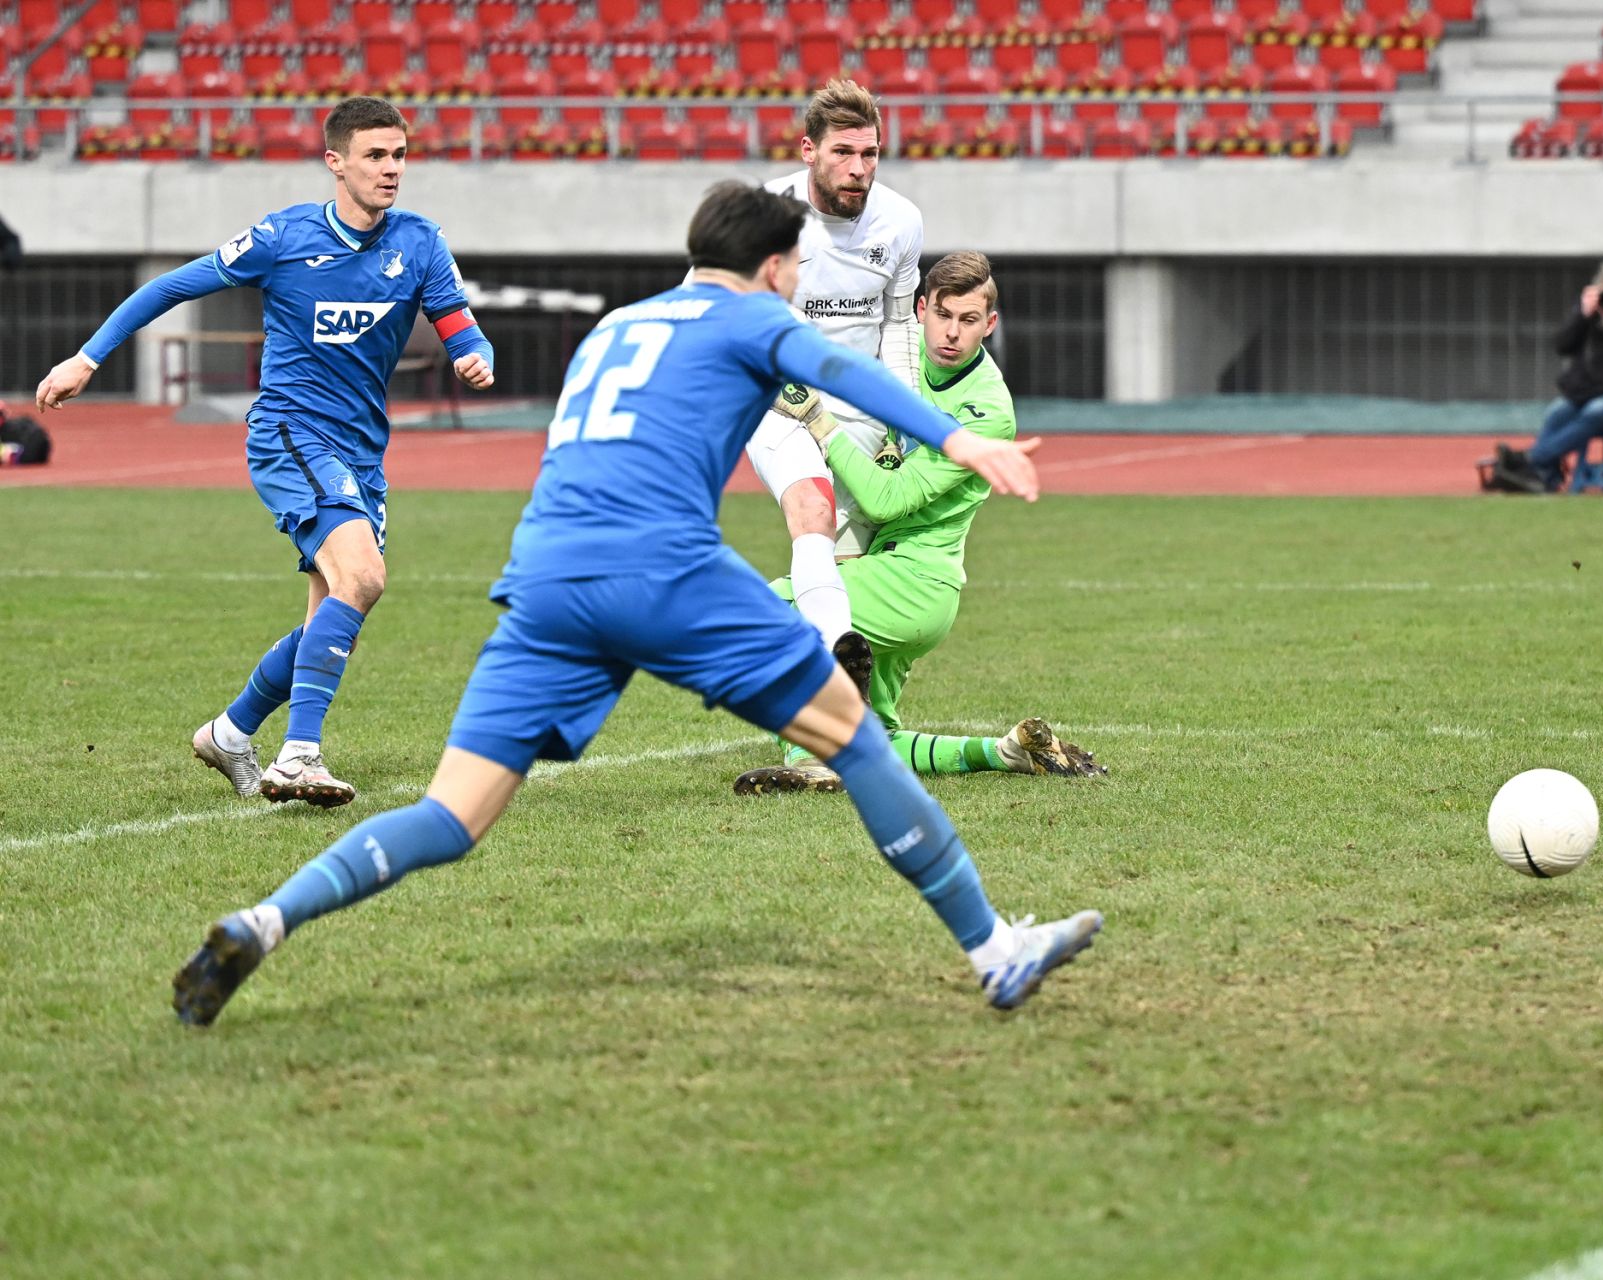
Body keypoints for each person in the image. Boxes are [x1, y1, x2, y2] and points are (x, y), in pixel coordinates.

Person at [170, 182, 1104, 1028]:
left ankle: (265, 918)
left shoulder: (620, 323)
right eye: (796, 269)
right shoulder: (751, 318)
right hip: (662, 569)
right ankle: (996, 952)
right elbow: (849, 379)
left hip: (546, 578)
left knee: (453, 816)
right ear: (773, 266)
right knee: (855, 739)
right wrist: (962, 440)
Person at [34, 96, 495, 807]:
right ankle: (299, 757)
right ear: (335, 163)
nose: (392, 169)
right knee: (364, 577)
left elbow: (460, 324)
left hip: (361, 452)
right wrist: (87, 359)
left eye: (400, 154)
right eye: (376, 155)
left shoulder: (421, 242)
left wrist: (475, 356)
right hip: (291, 431)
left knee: (337, 605)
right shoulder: (283, 238)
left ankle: (230, 731)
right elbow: (170, 285)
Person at [735, 250, 1105, 795]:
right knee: (877, 737)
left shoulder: (986, 411)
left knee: (762, 615)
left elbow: (886, 500)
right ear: (921, 309)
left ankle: (811, 757)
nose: (952, 333)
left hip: (913, 584)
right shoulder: (899, 363)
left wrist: (818, 420)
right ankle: (1008, 753)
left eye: (969, 320)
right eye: (944, 315)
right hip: (885, 572)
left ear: (990, 324)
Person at [748, 79, 924, 660]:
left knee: (851, 563)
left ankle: (815, 696)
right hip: (781, 403)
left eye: (869, 153)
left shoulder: (900, 222)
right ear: (808, 151)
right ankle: (835, 656)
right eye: (842, 153)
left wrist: (905, 418)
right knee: (812, 513)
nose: (858, 168)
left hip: (860, 406)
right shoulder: (764, 215)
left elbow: (900, 325)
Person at [1490, 258, 1603, 494]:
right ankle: (1544, 477)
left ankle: (1528, 460)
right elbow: (1563, 345)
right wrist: (1583, 316)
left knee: (1597, 411)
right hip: (1590, 390)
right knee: (1557, 411)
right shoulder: (1593, 312)